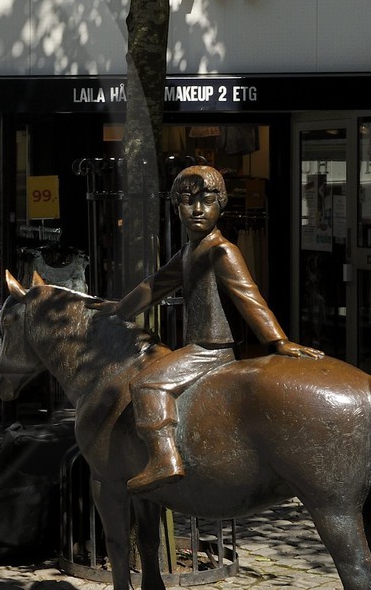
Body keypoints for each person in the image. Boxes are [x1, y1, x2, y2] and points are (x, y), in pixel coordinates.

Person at [93, 165, 322, 493]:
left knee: (146, 383)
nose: (197, 209)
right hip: (199, 347)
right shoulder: (189, 251)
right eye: (187, 201)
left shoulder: (222, 251)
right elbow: (154, 285)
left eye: (207, 200)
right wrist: (118, 309)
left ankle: (164, 459)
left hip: (211, 349)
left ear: (222, 205)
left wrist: (278, 340)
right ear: (176, 207)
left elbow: (249, 297)